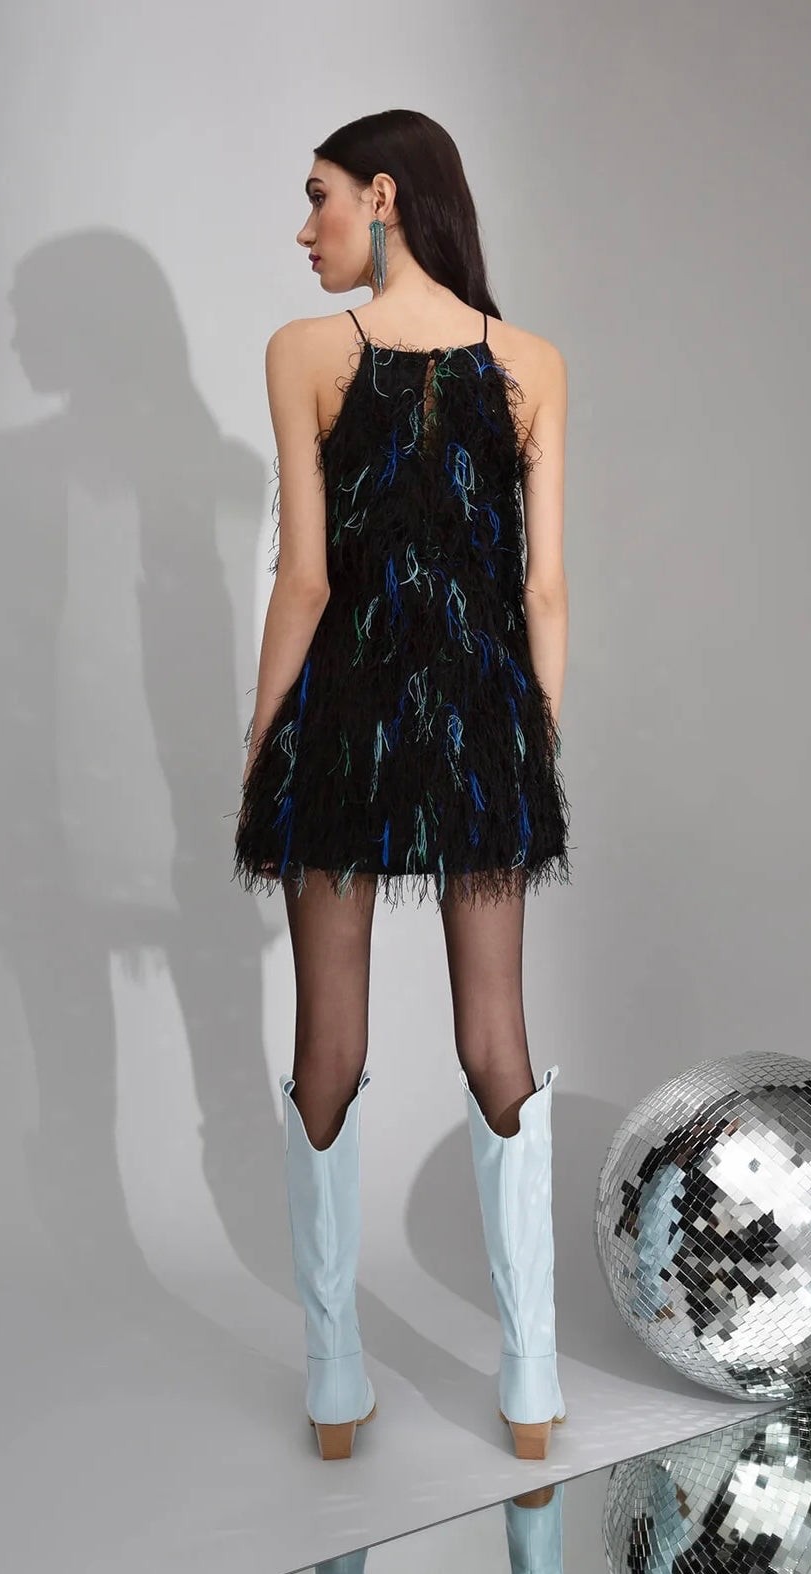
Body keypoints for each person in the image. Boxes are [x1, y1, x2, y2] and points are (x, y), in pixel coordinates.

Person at [233, 110, 572, 1462]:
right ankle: (530, 1384)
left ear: (382, 195)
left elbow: (307, 581)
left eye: (317, 197)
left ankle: (333, 1382)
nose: (302, 226)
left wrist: (260, 739)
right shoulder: (532, 361)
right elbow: (544, 590)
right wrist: (529, 744)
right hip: (482, 729)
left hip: (341, 727)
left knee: (329, 1040)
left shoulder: (304, 354)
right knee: (500, 1039)